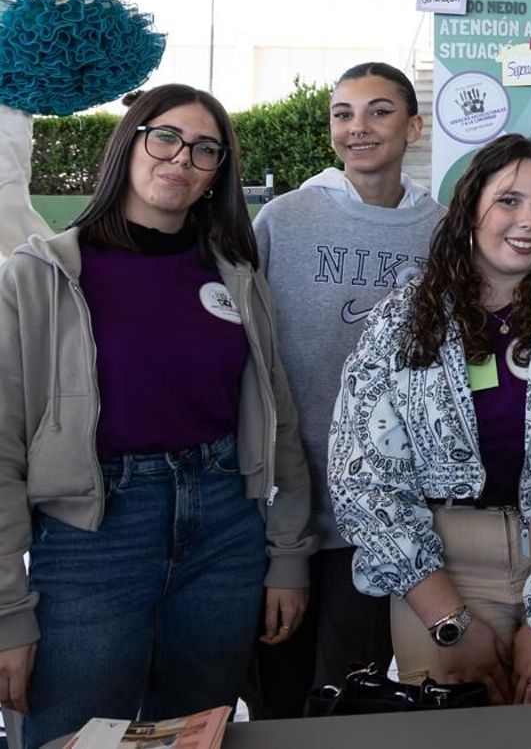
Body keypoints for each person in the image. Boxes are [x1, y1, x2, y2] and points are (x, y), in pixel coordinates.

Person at [0, 84, 313, 748]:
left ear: (216, 174)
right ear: (130, 142)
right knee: (70, 736)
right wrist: (7, 611)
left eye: (206, 149)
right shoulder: (41, 274)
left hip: (225, 531)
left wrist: (287, 554)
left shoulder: (236, 277)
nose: (181, 158)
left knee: (194, 733)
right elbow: (1, 449)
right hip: (94, 537)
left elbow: (278, 423)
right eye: (165, 136)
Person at [329, 134, 531, 704]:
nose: (528, 220)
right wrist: (448, 618)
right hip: (443, 568)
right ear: (471, 207)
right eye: (509, 200)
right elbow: (361, 480)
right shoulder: (400, 323)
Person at [246, 63, 444, 717]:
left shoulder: (442, 231)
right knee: (277, 684)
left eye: (379, 111)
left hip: (384, 509)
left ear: (413, 126)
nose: (358, 127)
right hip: (287, 506)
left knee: (345, 688)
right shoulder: (284, 219)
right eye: (343, 113)